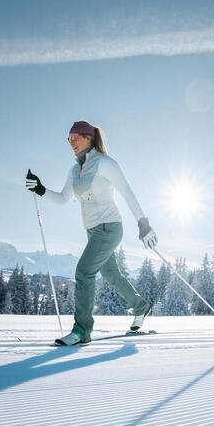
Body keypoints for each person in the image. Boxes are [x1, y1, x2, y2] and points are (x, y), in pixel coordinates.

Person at [26, 121, 157, 345]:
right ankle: (140, 307)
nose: (71, 143)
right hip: (93, 230)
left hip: (109, 227)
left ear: (88, 137)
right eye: (69, 139)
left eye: (75, 138)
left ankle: (81, 331)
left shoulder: (105, 163)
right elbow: (63, 198)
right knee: (111, 275)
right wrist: (41, 189)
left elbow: (127, 192)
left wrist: (143, 223)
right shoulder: (75, 170)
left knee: (84, 272)